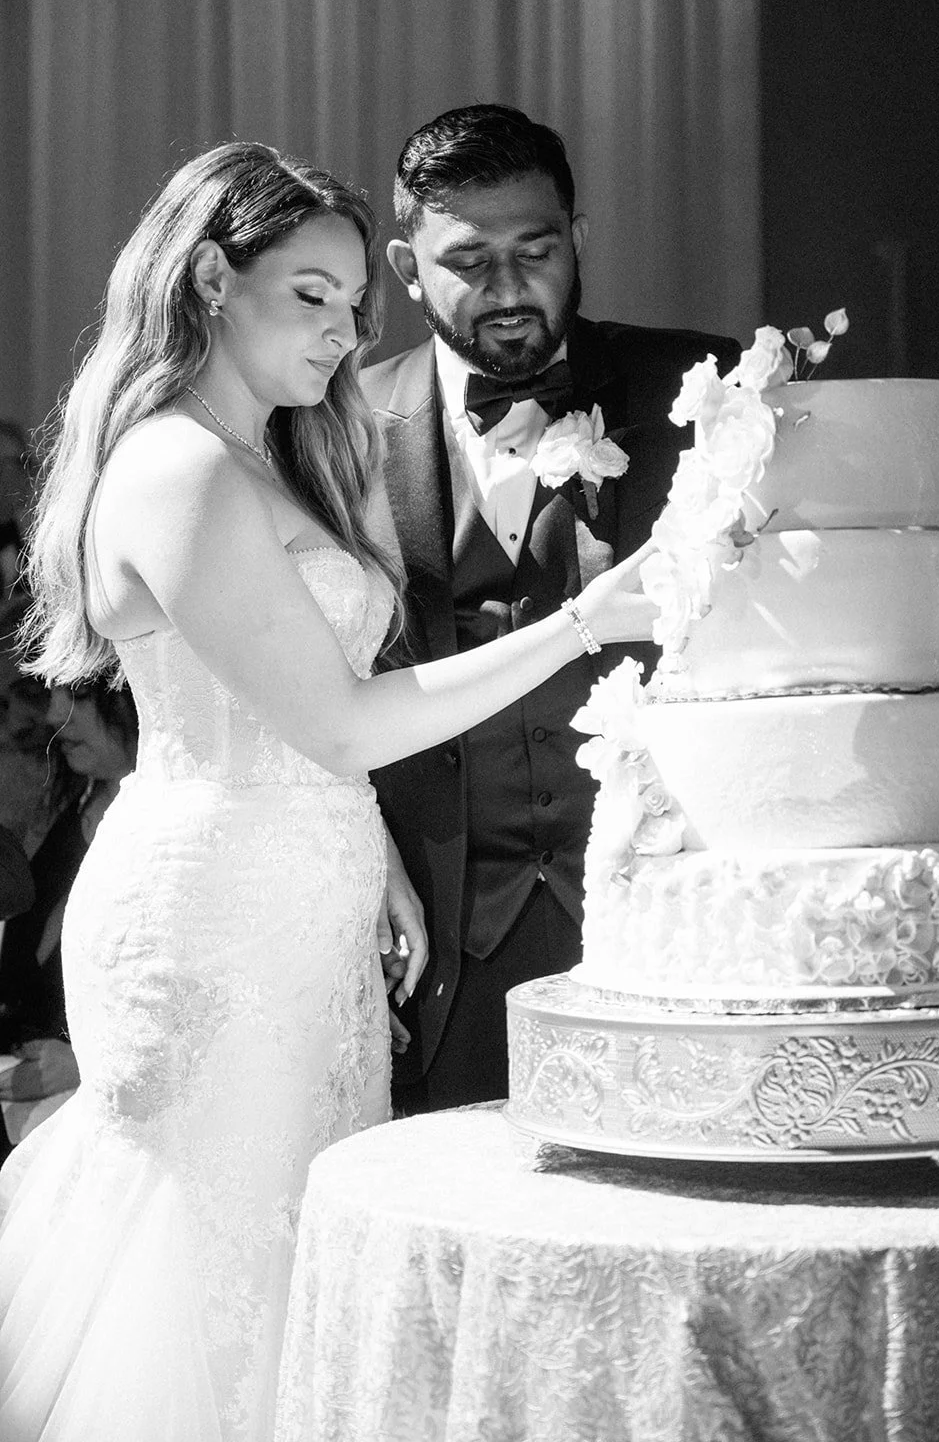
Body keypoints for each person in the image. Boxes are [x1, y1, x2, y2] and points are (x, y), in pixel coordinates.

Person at [0, 140, 655, 1442]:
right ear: (205, 282)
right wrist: (583, 623)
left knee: (304, 1224)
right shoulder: (179, 467)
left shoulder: (270, 458)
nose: (345, 329)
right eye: (309, 294)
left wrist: (377, 859)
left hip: (304, 897)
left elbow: (302, 723)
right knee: (216, 1251)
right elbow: (344, 724)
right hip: (214, 924)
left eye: (355, 300)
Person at [361, 103, 741, 1112]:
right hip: (438, 954)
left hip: (677, 928)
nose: (507, 286)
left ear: (577, 241)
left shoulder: (701, 389)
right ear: (406, 268)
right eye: (468, 259)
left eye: (535, 249)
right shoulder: (335, 427)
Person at [0, 680, 138, 1162]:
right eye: (54, 693)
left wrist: (88, 1065)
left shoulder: (173, 845)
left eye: (78, 695)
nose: (56, 712)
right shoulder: (61, 801)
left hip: (94, 1127)